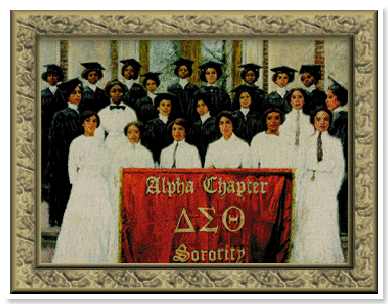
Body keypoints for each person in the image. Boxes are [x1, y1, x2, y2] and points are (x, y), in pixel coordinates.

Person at [51, 111, 117, 263]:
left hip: (100, 183)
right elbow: (72, 164)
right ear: (82, 123)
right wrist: (77, 184)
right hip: (84, 184)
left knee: (101, 217)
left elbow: (107, 164)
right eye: (88, 121)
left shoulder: (101, 143)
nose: (91, 124)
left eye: (94, 121)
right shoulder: (77, 142)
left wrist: (106, 180)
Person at [290, 107, 345, 263]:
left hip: (326, 184)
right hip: (309, 183)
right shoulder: (307, 142)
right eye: (318, 119)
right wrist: (299, 187)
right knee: (308, 219)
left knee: (325, 220)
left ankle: (325, 258)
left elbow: (340, 168)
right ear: (313, 121)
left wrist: (332, 188)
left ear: (329, 122)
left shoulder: (335, 143)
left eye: (325, 119)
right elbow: (300, 166)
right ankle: (307, 257)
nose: (322, 123)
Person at [43, 78, 84, 227]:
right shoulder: (61, 115)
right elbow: (56, 142)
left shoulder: (82, 115)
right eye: (74, 92)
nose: (78, 95)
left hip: (79, 160)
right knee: (63, 190)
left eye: (80, 92)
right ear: (67, 95)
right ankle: (60, 218)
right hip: (63, 160)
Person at [326, 77, 349, 235]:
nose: (327, 100)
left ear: (339, 99)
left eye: (330, 97)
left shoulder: (342, 119)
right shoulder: (333, 117)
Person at [41, 64, 67, 201]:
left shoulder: (63, 94)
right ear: (46, 78)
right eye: (50, 76)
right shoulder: (42, 94)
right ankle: (45, 191)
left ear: (59, 78)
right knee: (45, 159)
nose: (52, 78)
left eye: (55, 76)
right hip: (45, 132)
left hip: (59, 133)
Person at [95, 79, 138, 153]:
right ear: (109, 93)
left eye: (120, 91)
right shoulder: (102, 113)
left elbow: (135, 132)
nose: (117, 93)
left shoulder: (130, 112)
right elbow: (99, 136)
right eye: (114, 91)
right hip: (110, 147)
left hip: (127, 146)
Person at [279, 88, 315, 159]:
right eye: (294, 97)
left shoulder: (309, 119)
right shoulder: (285, 118)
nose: (297, 100)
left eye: (300, 97)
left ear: (304, 101)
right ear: (290, 101)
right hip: (288, 155)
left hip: (306, 155)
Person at [142, 93, 177, 166]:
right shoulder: (151, 124)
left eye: (168, 105)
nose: (165, 108)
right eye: (163, 105)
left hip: (171, 157)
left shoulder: (175, 123)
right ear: (158, 107)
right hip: (155, 159)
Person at [186, 94, 219, 167]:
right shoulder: (195, 124)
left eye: (203, 105)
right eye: (198, 106)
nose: (201, 108)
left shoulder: (215, 122)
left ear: (208, 106)